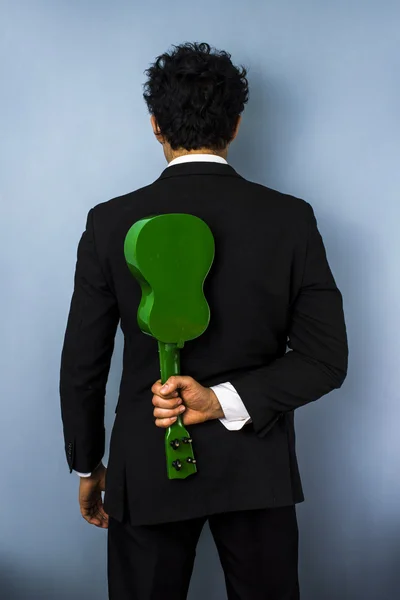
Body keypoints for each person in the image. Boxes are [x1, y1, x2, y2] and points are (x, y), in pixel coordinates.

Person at [60, 41, 348, 600]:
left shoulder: (109, 222)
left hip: (145, 464)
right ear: (236, 126)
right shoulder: (290, 220)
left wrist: (88, 464)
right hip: (256, 470)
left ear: (154, 125)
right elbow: (324, 360)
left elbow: (83, 365)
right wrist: (221, 401)